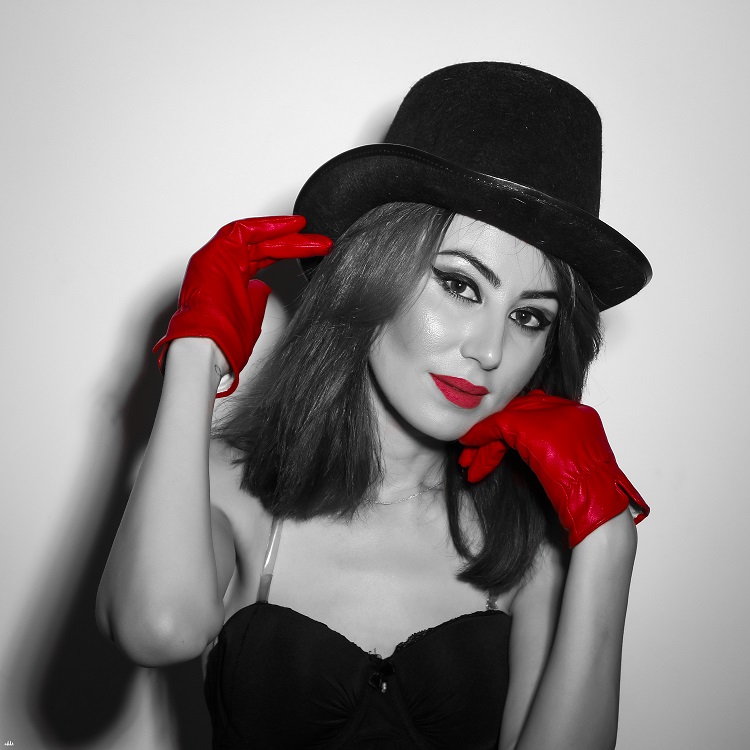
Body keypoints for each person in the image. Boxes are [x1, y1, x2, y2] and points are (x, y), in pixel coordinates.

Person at [96, 62, 652, 749]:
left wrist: (610, 537)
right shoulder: (223, 488)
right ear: (373, 274)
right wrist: (193, 351)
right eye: (461, 286)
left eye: (529, 317)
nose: (488, 350)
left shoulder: (528, 551)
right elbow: (157, 629)